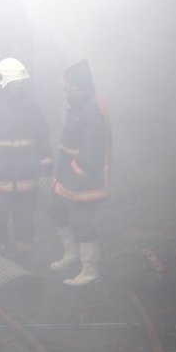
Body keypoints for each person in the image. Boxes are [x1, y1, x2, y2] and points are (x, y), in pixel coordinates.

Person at [0, 57, 53, 256]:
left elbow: (43, 138)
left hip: (27, 176)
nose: (18, 86)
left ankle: (24, 256)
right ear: (2, 82)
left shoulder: (32, 107)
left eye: (20, 82)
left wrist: (45, 169)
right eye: (14, 82)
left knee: (25, 218)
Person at [49, 60, 111, 286]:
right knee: (57, 209)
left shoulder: (92, 110)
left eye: (68, 84)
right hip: (68, 175)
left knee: (81, 222)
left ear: (79, 86)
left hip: (85, 179)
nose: (65, 88)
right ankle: (72, 254)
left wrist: (75, 171)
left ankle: (90, 270)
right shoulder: (79, 103)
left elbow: (92, 154)